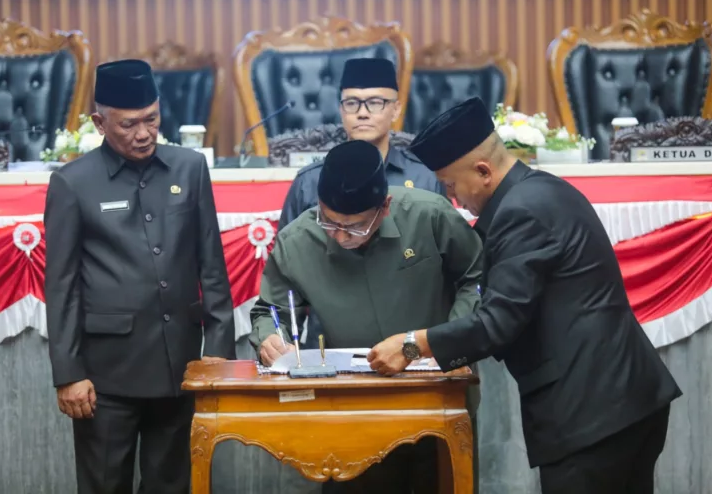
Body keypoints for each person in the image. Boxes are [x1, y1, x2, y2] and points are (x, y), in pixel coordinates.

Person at [367, 97, 683, 494]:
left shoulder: (523, 212)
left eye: (450, 184)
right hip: (623, 401)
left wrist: (413, 345)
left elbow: (499, 323)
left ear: (482, 171)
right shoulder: (538, 191)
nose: (452, 197)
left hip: (593, 414)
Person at [44, 59, 235, 494]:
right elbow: (62, 286)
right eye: (129, 124)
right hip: (107, 377)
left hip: (181, 368)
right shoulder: (73, 183)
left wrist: (219, 355)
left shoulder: (189, 168)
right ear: (99, 121)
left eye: (152, 119)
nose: (144, 133)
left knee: (172, 485)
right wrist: (68, 373)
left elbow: (213, 268)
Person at [250, 139, 483, 494]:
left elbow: (476, 277)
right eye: (329, 223)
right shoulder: (296, 241)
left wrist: (448, 337)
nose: (341, 236)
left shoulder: (429, 215)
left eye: (356, 227)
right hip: (352, 407)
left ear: (385, 206)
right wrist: (269, 337)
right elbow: (270, 310)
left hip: (436, 395)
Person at [279, 57, 446, 348]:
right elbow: (286, 271)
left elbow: (449, 268)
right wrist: (281, 339)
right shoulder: (309, 182)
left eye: (376, 103)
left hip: (411, 343)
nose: (362, 113)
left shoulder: (425, 178)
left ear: (396, 109)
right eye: (352, 103)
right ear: (341, 110)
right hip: (330, 343)